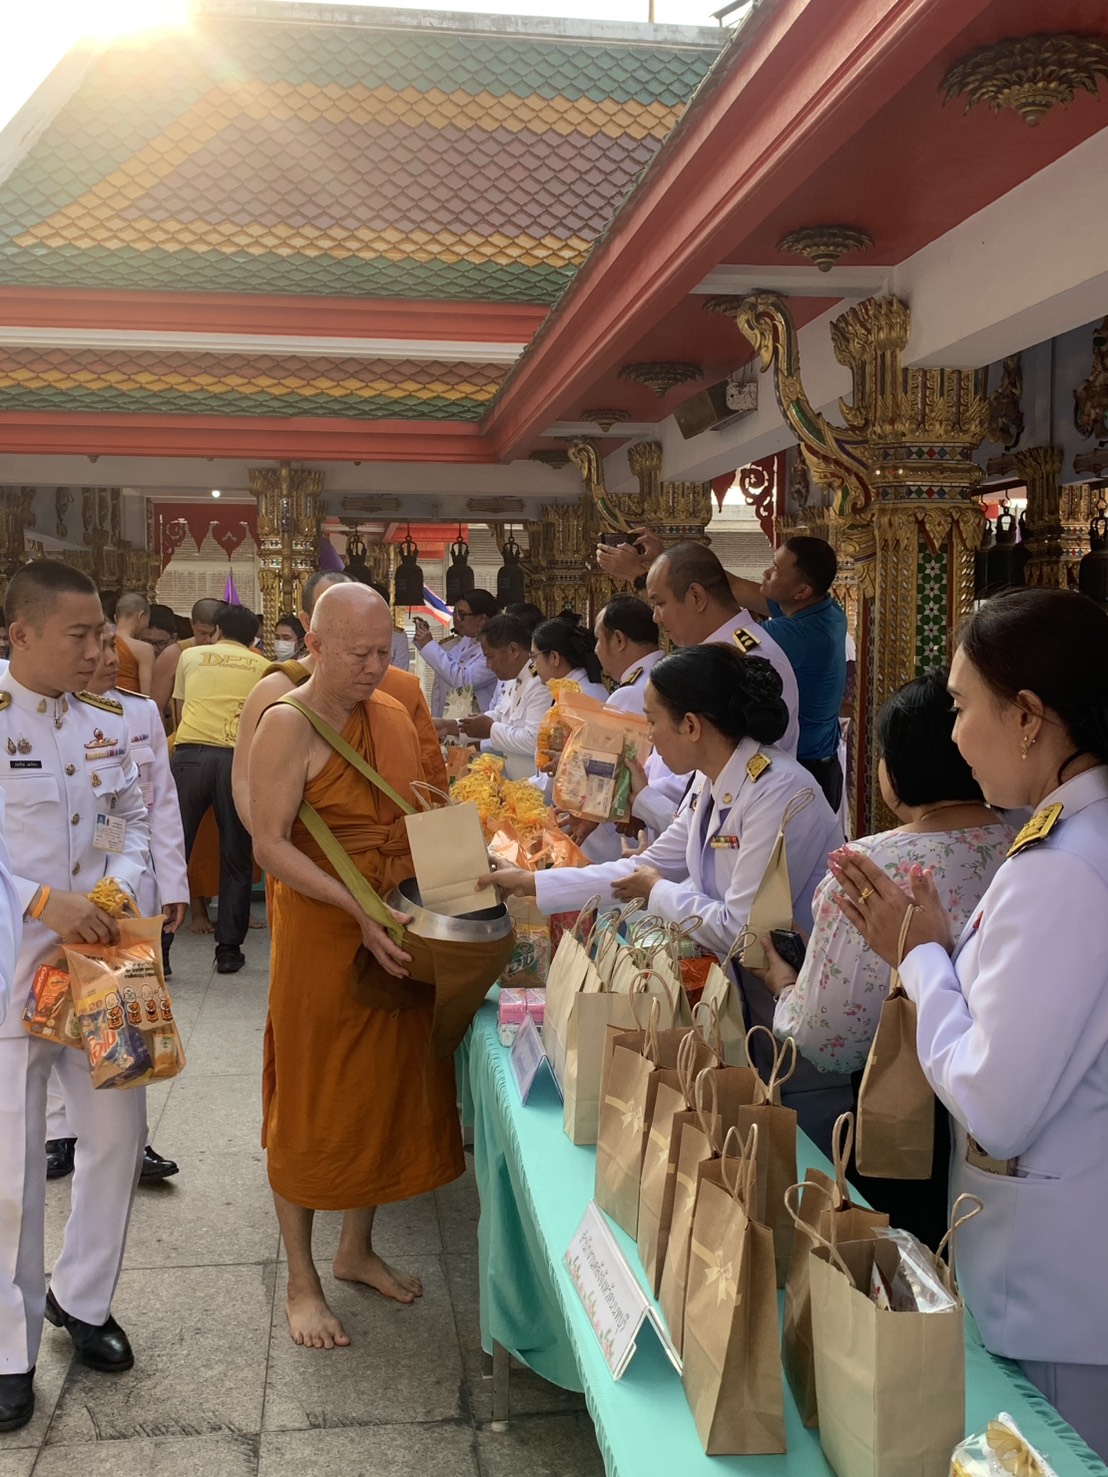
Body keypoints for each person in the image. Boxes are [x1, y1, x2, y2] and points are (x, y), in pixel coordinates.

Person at [830, 588, 1108, 1458]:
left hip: (1055, 1291)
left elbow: (995, 1099)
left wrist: (919, 958)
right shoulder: (1066, 838)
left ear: (1028, 716)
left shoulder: (1065, 868)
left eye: (961, 706)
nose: (952, 734)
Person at [486, 645, 845, 1137]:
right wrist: (531, 883)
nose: (648, 737)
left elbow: (740, 930)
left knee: (800, 1152)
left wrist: (658, 893)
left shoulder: (779, 791)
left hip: (797, 1011)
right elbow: (647, 865)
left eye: (653, 721)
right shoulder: (711, 780)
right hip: (745, 1006)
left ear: (692, 726)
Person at [249, 583, 464, 1350]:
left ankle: (356, 1248)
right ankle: (301, 1280)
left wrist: (465, 885)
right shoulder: (286, 722)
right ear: (314, 642)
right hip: (323, 929)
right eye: (359, 652)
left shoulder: (393, 710)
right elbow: (268, 843)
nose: (377, 667)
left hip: (394, 916)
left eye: (386, 651)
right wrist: (355, 908)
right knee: (313, 1093)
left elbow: (420, 809)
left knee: (380, 1088)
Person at [756, 671, 1012, 1244]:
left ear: (896, 767)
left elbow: (826, 1037)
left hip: (900, 1123)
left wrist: (783, 985)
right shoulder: (1029, 847)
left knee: (903, 1277)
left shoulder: (867, 870)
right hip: (1007, 1142)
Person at [0, 562, 150, 1434]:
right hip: (16, 965)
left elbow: (129, 814)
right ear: (21, 636)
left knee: (117, 1138)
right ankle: (9, 1348)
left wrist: (115, 893)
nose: (101, 649)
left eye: (102, 632)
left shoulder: (103, 718)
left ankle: (80, 1299)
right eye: (81, 635)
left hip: (99, 964)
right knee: (14, 1169)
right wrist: (38, 900)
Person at [44, 632, 189, 1185]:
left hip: (122, 893)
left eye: (111, 648)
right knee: (55, 1019)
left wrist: (172, 881)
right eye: (91, 646)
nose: (103, 659)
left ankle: (137, 1142)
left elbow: (159, 802)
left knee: (127, 1023)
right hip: (54, 900)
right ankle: (60, 1133)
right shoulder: (34, 714)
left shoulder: (138, 712)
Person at [232, 572, 446, 832]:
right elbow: (245, 782)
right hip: (313, 857)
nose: (373, 666)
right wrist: (273, 841)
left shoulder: (401, 691)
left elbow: (430, 781)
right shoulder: (275, 691)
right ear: (310, 627)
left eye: (382, 652)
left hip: (398, 861)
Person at [171, 602, 268, 973]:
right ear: (252, 637)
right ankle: (228, 949)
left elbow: (179, 710)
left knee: (174, 849)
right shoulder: (262, 666)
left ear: (217, 631)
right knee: (235, 854)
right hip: (235, 761)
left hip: (190, 755)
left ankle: (160, 946)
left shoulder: (191, 656)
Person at [643, 542, 800, 756]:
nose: (656, 618)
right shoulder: (710, 656)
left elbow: (734, 762)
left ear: (696, 597)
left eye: (660, 603)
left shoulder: (750, 659)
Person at [562, 597, 664, 862]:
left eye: (598, 639)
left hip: (622, 834)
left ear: (618, 640)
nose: (595, 650)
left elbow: (605, 778)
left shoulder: (631, 693)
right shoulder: (663, 674)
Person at [453, 614, 552, 781]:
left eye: (490, 657)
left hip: (536, 791)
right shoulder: (515, 678)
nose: (488, 666)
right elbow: (499, 714)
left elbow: (534, 740)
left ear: (513, 650)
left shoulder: (538, 681)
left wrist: (491, 729)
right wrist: (453, 726)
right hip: (517, 785)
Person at [415, 589, 499, 719]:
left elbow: (464, 680)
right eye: (455, 612)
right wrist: (425, 641)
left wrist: (429, 645)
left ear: (482, 619)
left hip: (481, 723)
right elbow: (447, 663)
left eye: (462, 614)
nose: (456, 619)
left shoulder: (496, 648)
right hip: (458, 720)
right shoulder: (468, 640)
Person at [530, 617, 608, 702]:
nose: (533, 665)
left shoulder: (576, 696)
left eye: (535, 657)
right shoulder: (575, 690)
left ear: (554, 657)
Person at [112, 591, 154, 697]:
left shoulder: (101, 643)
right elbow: (145, 694)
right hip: (130, 708)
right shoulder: (144, 649)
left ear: (115, 618)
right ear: (140, 616)